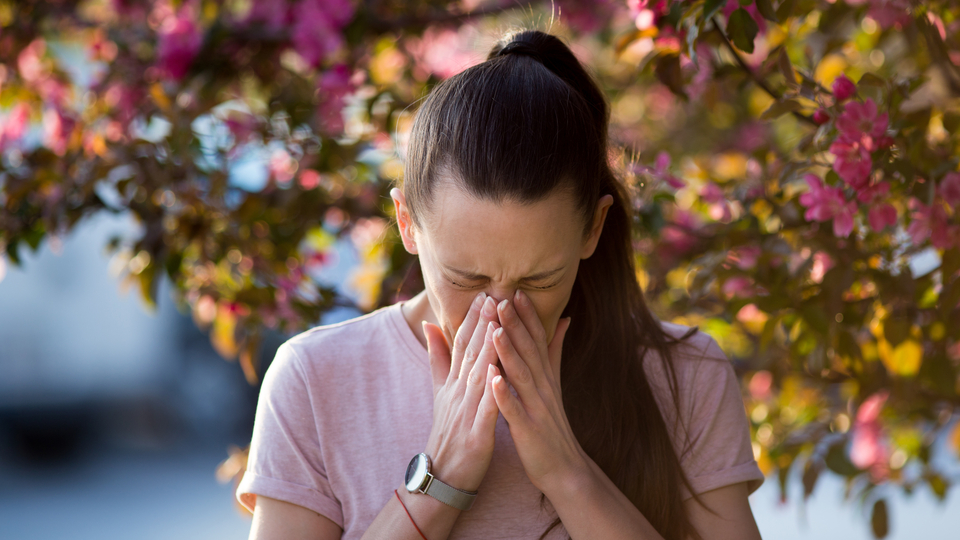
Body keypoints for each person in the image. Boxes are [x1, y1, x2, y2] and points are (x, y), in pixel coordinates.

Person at [237, 29, 765, 540]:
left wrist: (566, 472)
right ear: (407, 223)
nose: (499, 311)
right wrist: (439, 481)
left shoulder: (685, 374)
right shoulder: (316, 379)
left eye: (539, 279)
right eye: (466, 278)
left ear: (593, 229)